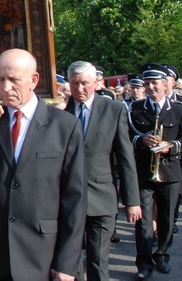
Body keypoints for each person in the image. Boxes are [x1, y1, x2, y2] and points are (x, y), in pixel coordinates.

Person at [0, 49, 86, 281]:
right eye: (0, 79)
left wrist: (66, 263)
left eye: (13, 80)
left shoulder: (63, 126)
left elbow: (75, 199)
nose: (5, 87)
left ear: (34, 80)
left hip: (39, 254)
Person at [64, 61, 141, 281]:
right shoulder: (59, 112)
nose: (80, 89)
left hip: (101, 200)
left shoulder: (113, 110)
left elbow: (126, 158)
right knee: (70, 261)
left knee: (98, 260)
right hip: (68, 200)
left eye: (85, 83)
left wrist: (132, 201)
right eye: (75, 84)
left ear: (96, 83)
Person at [129, 63, 182, 279]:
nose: (151, 87)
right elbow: (127, 137)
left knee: (166, 217)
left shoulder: (179, 108)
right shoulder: (135, 109)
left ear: (165, 85)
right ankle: (143, 262)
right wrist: (141, 140)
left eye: (155, 83)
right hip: (145, 171)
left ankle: (162, 254)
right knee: (143, 220)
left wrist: (171, 145)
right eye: (147, 83)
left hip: (169, 171)